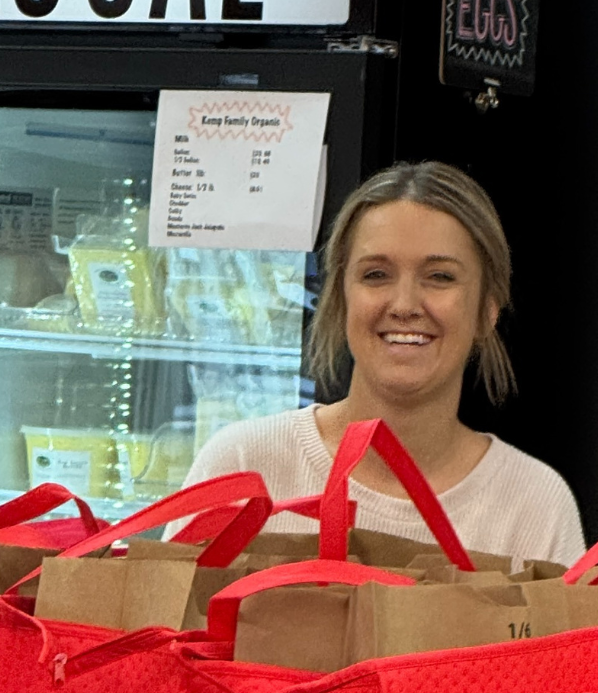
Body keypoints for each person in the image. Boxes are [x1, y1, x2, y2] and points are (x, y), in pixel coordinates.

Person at [169, 161, 586, 566]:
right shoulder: (243, 463)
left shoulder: (537, 504)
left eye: (440, 277)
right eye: (376, 275)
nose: (404, 305)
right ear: (341, 297)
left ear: (487, 309)